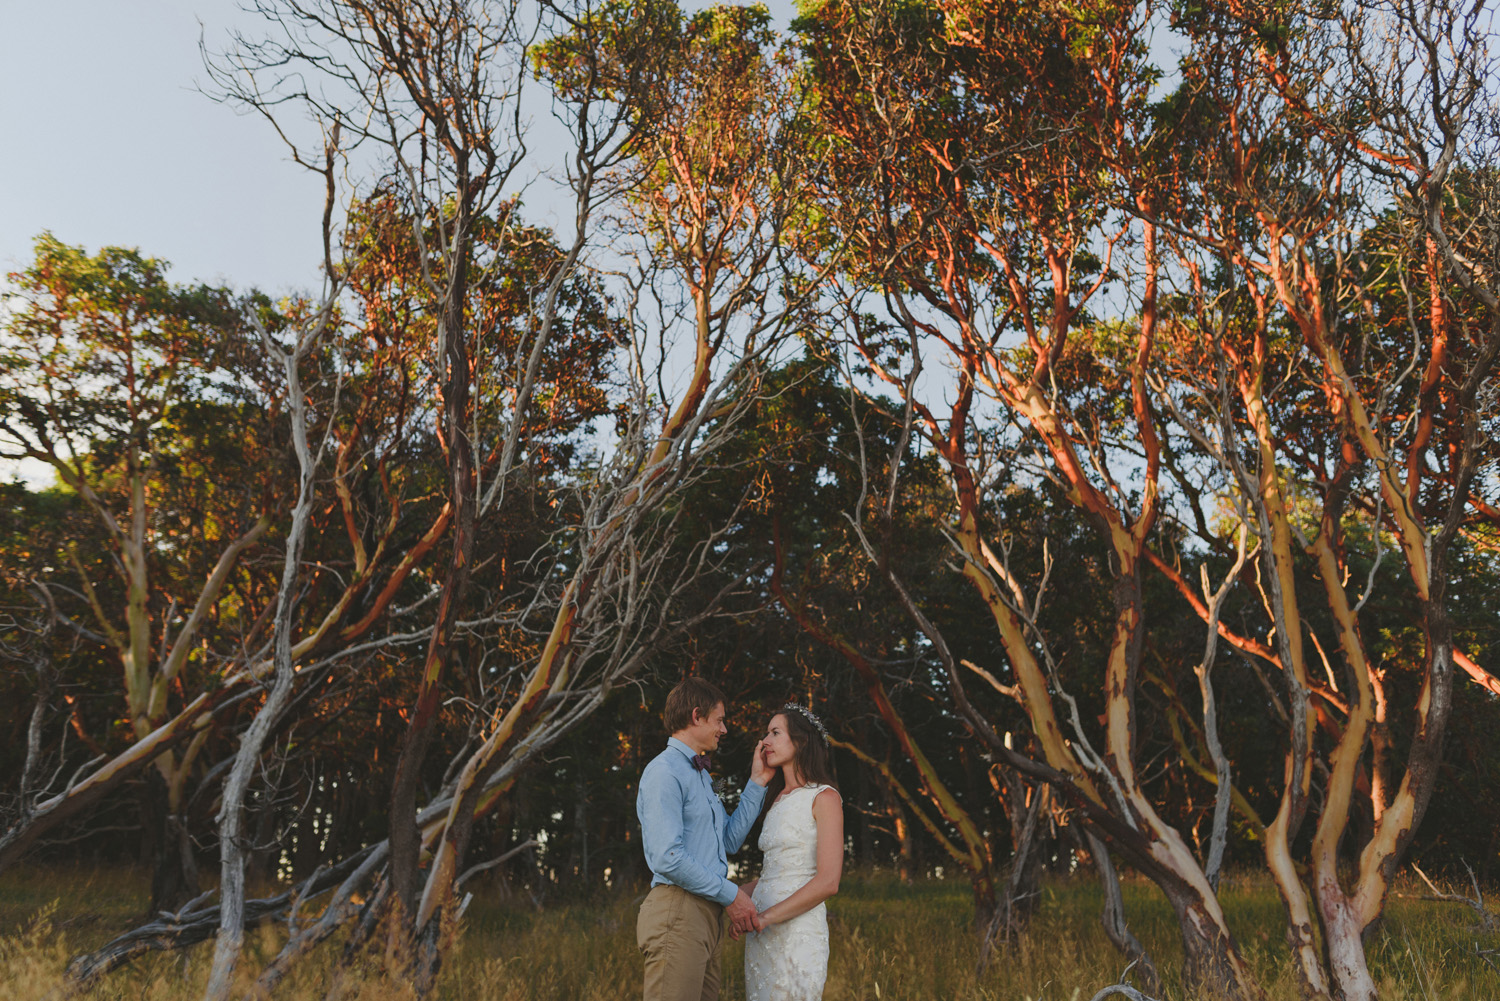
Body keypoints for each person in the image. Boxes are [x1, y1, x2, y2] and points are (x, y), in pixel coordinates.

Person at [637, 677, 774, 1001]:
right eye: (720, 720)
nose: (724, 730)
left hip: (705, 914)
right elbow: (667, 856)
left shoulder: (698, 774)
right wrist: (732, 894)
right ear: (696, 716)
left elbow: (726, 842)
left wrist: (757, 782)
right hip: (678, 912)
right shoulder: (665, 771)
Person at [739, 704, 843, 1001]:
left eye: (775, 733)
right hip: (761, 934)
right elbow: (774, 875)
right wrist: (727, 898)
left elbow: (828, 882)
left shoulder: (824, 797)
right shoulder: (774, 801)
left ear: (801, 741)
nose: (764, 742)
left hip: (797, 932)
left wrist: (766, 918)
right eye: (765, 734)